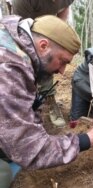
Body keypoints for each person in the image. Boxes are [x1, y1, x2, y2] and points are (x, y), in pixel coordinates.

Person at [0, 15, 93, 188]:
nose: (62, 71)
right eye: (62, 61)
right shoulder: (10, 69)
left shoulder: (13, 39)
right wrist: (86, 140)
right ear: (43, 46)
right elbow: (30, 150)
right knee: (4, 174)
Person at [11, 0, 75, 128]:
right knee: (34, 63)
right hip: (26, 25)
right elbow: (19, 30)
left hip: (48, 26)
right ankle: (26, 102)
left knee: (51, 62)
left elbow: (63, 9)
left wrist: (58, 35)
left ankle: (49, 102)